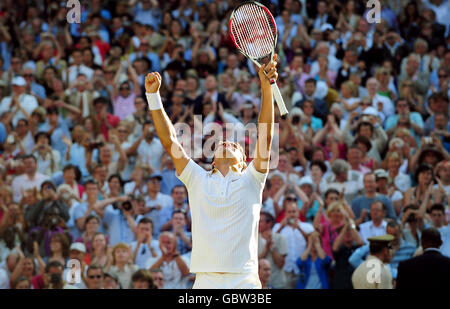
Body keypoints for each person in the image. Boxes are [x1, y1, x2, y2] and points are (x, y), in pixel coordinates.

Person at [143, 54, 278, 289]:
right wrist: (153, 97)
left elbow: (265, 134)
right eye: (221, 144)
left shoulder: (252, 179)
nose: (226, 143)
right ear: (212, 161)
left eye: (234, 145)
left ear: (243, 162)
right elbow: (169, 140)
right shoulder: (197, 178)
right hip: (205, 281)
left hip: (244, 280)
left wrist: (266, 88)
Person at [273, 200, 315, 289]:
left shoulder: (307, 227)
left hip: (303, 269)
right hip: (284, 269)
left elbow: (312, 243)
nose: (292, 214)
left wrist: (299, 228)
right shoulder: (277, 226)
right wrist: (281, 226)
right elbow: (272, 242)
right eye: (289, 212)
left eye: (294, 211)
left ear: (298, 213)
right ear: (285, 213)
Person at [258, 211, 288, 289]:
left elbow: (280, 264)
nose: (258, 224)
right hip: (259, 284)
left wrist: (272, 248)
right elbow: (254, 263)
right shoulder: (253, 239)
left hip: (278, 283)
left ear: (269, 223)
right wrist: (266, 249)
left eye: (260, 221)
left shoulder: (280, 238)